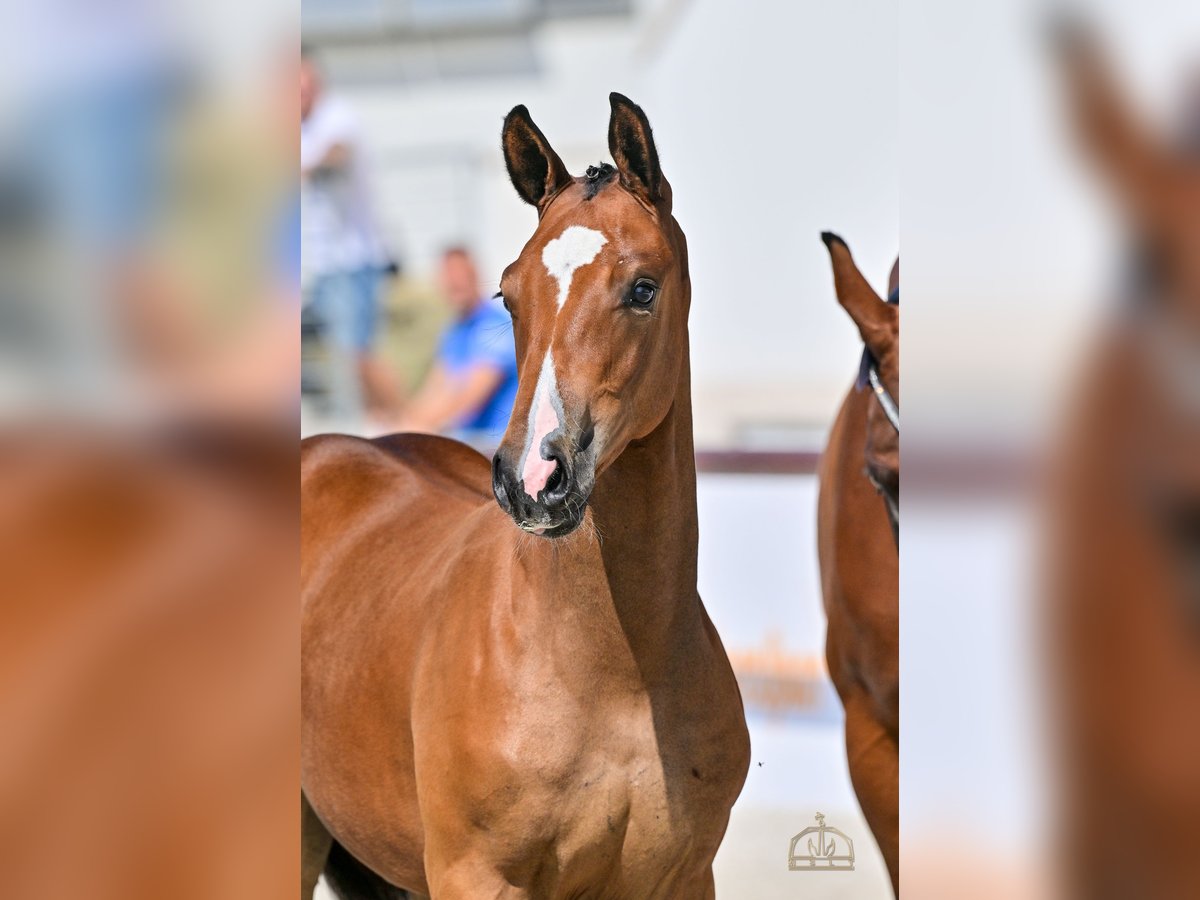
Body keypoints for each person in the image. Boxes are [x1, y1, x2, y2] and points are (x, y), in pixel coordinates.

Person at [300, 46, 399, 422]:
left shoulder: (336, 116)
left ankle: (409, 423)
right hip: (326, 264)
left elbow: (337, 153)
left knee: (361, 353)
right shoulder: (301, 126)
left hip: (354, 259)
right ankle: (379, 425)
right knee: (346, 356)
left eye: (303, 84)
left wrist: (305, 168)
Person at [395, 247, 517, 442]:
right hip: (465, 440)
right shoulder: (454, 331)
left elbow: (471, 398)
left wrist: (420, 426)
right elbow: (434, 388)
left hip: (496, 444)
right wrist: (407, 421)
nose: (454, 285)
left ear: (474, 276)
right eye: (449, 280)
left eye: (460, 279)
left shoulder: (494, 325)